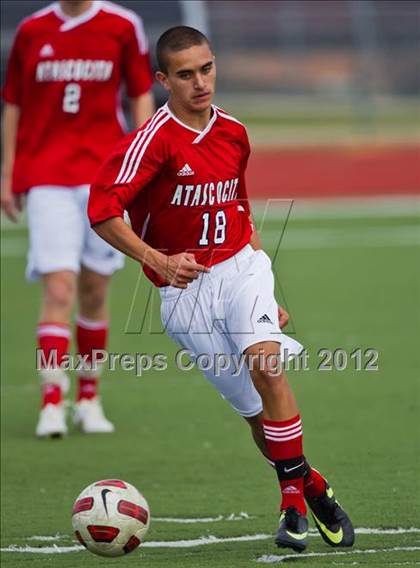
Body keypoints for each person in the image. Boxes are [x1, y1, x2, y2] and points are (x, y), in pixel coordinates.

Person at [87, 26, 354, 553]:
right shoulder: (150, 141)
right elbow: (101, 212)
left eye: (206, 69)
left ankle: (291, 507)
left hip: (240, 269)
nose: (200, 82)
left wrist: (265, 287)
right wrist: (157, 260)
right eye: (185, 74)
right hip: (185, 297)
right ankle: (314, 486)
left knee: (267, 366)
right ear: (163, 80)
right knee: (255, 411)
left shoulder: (234, 132)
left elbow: (240, 208)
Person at [0, 0, 154, 437]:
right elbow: (13, 102)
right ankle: (52, 400)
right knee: (59, 286)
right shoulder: (33, 30)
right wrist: (8, 171)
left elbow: (140, 92)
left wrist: (139, 164)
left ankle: (89, 397)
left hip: (103, 177)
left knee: (93, 288)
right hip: (47, 176)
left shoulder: (122, 25)